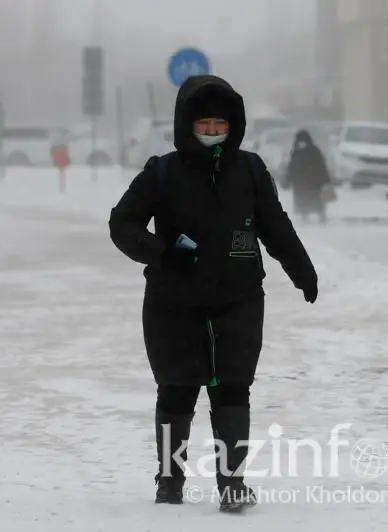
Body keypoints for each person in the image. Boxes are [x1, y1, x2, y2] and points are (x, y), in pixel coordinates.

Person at [108, 74, 318, 512]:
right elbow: (122, 225)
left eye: (219, 124)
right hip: (174, 303)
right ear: (187, 124)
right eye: (202, 125)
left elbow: (275, 226)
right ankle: (170, 481)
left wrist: (302, 270)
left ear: (233, 124)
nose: (211, 133)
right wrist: (162, 254)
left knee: (232, 389)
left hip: (237, 299)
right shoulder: (161, 172)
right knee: (177, 390)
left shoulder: (251, 171)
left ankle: (233, 483)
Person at [285, 129, 332, 223]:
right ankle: (306, 216)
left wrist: (325, 179)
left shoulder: (310, 150)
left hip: (311, 182)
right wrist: (288, 179)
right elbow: (292, 166)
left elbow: (320, 164)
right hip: (304, 182)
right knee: (304, 201)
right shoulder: (298, 151)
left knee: (315, 200)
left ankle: (319, 216)